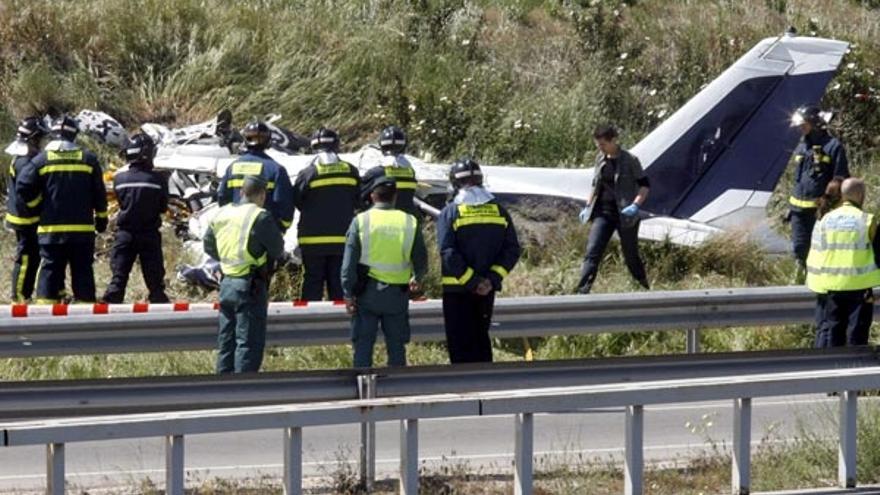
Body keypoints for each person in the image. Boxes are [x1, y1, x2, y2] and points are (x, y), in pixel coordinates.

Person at [15, 115, 108, 303]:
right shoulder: (88, 160)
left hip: (51, 231)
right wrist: (101, 218)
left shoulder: (41, 161)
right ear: (74, 136)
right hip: (82, 232)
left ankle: (45, 316)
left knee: (50, 270)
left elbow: (23, 187)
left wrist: (36, 208)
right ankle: (85, 319)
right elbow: (99, 192)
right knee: (82, 271)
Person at [437, 158, 521, 363]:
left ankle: (465, 389)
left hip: (457, 289)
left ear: (455, 183)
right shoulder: (499, 210)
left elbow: (447, 251)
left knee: (460, 345)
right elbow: (512, 250)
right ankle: (487, 384)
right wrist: (490, 280)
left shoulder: (451, 212)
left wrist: (472, 281)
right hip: (486, 291)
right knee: (481, 340)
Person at [341, 174, 427, 367]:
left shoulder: (361, 221)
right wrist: (417, 277)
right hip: (397, 295)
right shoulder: (409, 221)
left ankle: (362, 390)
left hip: (366, 294)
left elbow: (348, 265)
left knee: (363, 345)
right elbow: (421, 259)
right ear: (395, 196)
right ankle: (398, 390)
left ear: (372, 196)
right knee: (397, 347)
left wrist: (347, 293)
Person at [204, 175, 284, 373]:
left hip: (227, 283)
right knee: (248, 342)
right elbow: (277, 248)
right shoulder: (260, 216)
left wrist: (226, 258)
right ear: (262, 195)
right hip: (250, 285)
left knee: (226, 341)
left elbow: (208, 245)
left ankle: (223, 389)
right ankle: (244, 392)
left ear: (241, 192)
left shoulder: (220, 214)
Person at [575, 125, 650, 294]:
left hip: (625, 215)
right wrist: (587, 206)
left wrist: (635, 205)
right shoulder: (600, 159)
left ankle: (643, 286)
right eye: (598, 145)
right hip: (603, 213)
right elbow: (595, 185)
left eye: (603, 144)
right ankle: (581, 292)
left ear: (613, 141)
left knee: (630, 255)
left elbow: (644, 186)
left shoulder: (630, 160)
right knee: (592, 252)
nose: (601, 148)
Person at [806, 178, 880, 348]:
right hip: (860, 286)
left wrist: (817, 283)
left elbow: (815, 252)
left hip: (831, 286)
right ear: (861, 195)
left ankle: (833, 367)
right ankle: (856, 368)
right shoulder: (867, 220)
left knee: (834, 331)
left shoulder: (824, 220)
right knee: (857, 333)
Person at [100, 133, 171, 303]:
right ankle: (162, 316)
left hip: (125, 234)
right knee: (156, 285)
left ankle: (109, 313)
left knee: (118, 279)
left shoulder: (119, 179)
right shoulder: (158, 179)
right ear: (146, 154)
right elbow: (162, 207)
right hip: (149, 234)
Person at [293, 127, 360, 301]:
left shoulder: (308, 174)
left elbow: (298, 201)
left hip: (312, 242)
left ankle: (309, 324)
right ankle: (339, 325)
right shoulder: (351, 172)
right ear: (337, 145)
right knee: (339, 286)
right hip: (342, 241)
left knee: (312, 286)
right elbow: (357, 200)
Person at [788, 105, 849, 282]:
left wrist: (827, 201)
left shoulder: (833, 146)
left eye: (804, 124)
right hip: (798, 209)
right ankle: (801, 278)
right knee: (800, 247)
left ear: (815, 123)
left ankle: (823, 279)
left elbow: (840, 177)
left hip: (821, 210)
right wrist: (791, 208)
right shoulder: (802, 146)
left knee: (822, 248)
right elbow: (799, 178)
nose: (801, 128)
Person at [217, 121, 294, 232]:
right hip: (264, 235)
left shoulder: (232, 168)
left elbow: (222, 199)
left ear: (246, 139)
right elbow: (284, 206)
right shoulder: (276, 170)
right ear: (268, 141)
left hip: (235, 231)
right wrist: (279, 230)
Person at [5, 116, 48, 302]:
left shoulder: (23, 158)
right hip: (26, 218)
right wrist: (40, 206)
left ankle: (24, 294)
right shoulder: (24, 161)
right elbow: (26, 192)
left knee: (32, 258)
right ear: (33, 138)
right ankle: (20, 296)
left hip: (24, 217)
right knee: (26, 260)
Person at [361, 126, 420, 217]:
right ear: (404, 146)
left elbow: (360, 196)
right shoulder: (410, 173)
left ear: (382, 147)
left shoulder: (375, 174)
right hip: (407, 222)